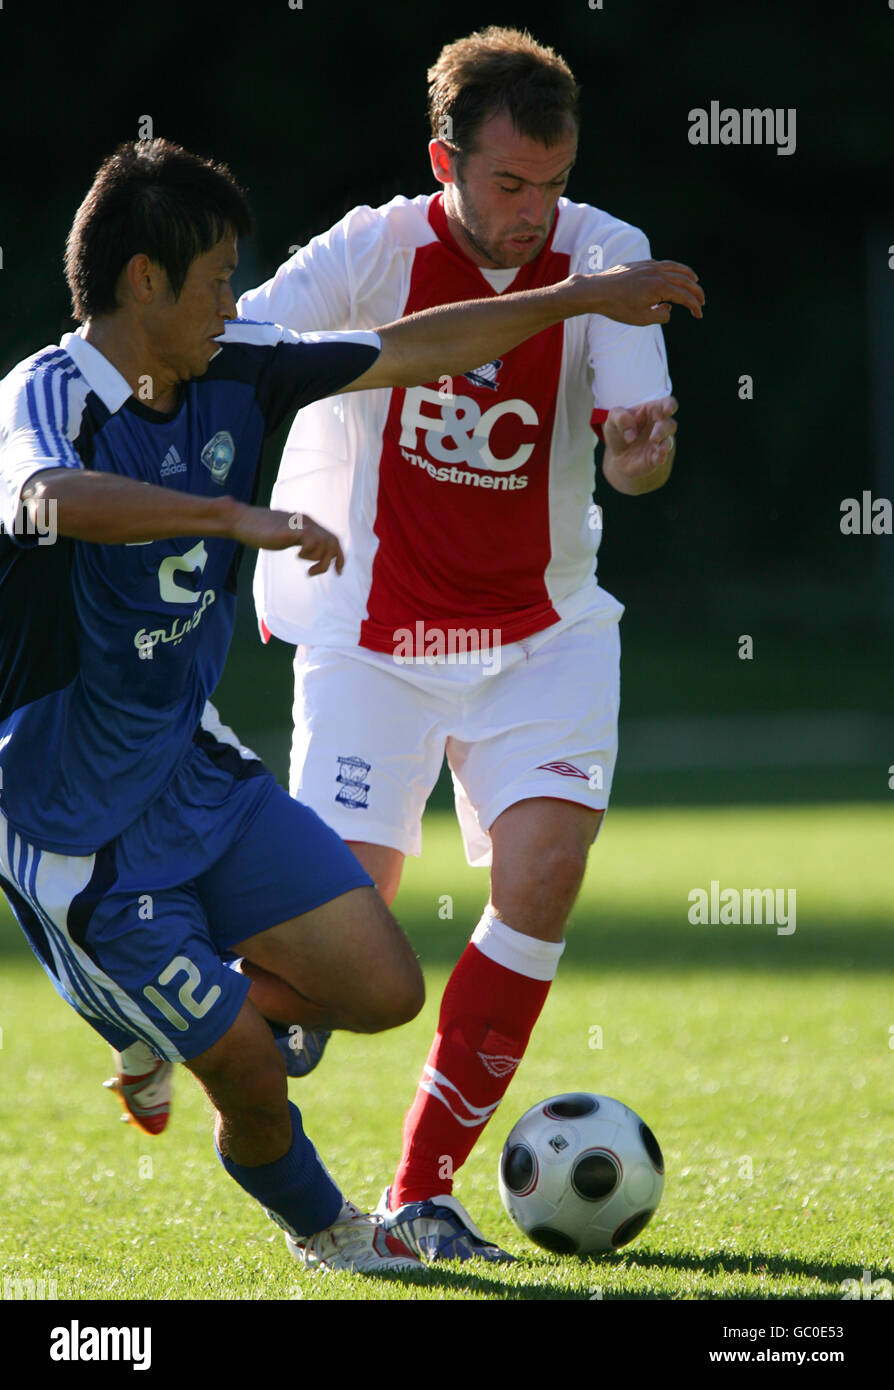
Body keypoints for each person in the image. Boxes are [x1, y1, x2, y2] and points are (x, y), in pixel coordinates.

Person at [0, 137, 699, 1275]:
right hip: (72, 824)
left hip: (196, 770)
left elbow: (417, 349)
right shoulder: (46, 394)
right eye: (222, 276)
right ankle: (328, 1225)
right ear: (143, 282)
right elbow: (41, 498)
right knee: (252, 1063)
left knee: (377, 990)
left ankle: (162, 1021)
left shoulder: (239, 362)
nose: (239, 297)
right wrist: (225, 518)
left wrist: (584, 294)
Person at [234, 27, 705, 1262]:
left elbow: (632, 450)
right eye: (508, 185)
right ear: (443, 158)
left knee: (542, 877)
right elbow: (235, 343)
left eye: (553, 183)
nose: (535, 212)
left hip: (542, 634)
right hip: (370, 634)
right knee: (344, 952)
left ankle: (418, 1195)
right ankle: (182, 1004)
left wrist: (638, 459)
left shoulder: (609, 258)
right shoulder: (372, 248)